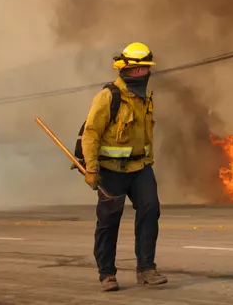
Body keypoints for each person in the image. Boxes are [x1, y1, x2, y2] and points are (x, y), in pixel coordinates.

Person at [81, 42, 167, 292]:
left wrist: (148, 162)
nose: (143, 73)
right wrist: (92, 168)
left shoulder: (145, 98)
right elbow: (91, 133)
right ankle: (107, 274)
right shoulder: (109, 96)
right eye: (138, 69)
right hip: (111, 170)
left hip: (140, 168)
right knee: (109, 221)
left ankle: (146, 270)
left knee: (151, 211)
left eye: (145, 69)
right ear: (126, 69)